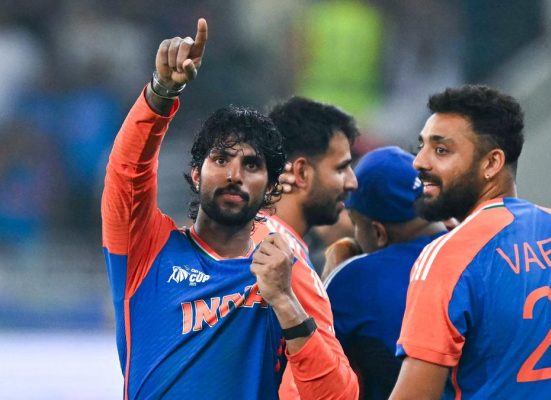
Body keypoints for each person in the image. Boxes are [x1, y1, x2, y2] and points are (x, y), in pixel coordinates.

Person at [102, 18, 350, 399]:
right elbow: (127, 173)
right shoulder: (148, 250)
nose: (234, 175)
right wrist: (161, 93)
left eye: (251, 165)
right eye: (221, 159)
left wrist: (285, 301)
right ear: (196, 174)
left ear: (271, 187)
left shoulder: (282, 269)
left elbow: (337, 395)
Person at [390, 85, 551, 399]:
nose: (419, 162)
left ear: (491, 163)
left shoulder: (450, 256)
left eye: (441, 150)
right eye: (421, 146)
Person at [250, 96, 361, 399]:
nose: (352, 182)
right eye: (342, 168)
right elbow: (335, 394)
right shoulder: (285, 258)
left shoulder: (241, 235)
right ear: (300, 173)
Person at [321, 146, 447, 399]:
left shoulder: (353, 278)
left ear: (378, 233)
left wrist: (330, 277)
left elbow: (312, 364)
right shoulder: (477, 251)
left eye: (356, 225)